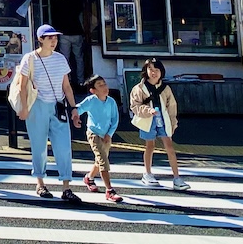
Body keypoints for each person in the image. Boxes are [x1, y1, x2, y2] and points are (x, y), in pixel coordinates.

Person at [15, 24, 82, 203]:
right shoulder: (29, 59)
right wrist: (24, 108)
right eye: (49, 37)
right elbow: (22, 86)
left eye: (55, 37)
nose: (54, 41)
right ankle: (40, 183)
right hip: (37, 105)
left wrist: (74, 108)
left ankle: (66, 187)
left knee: (64, 147)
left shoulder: (60, 59)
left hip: (58, 105)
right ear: (40, 39)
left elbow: (66, 86)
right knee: (39, 146)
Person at [129, 57, 188, 190]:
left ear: (161, 71)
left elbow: (172, 106)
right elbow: (134, 106)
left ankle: (177, 178)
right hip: (147, 120)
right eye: (150, 69)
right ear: (145, 70)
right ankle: (148, 173)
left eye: (156, 69)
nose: (153, 72)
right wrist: (147, 110)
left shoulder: (165, 88)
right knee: (150, 146)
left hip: (164, 120)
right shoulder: (139, 88)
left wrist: (173, 123)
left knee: (169, 146)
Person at [76, 75, 122, 202]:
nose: (104, 87)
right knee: (103, 161)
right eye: (100, 85)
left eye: (104, 84)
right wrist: (75, 116)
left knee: (100, 160)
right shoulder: (91, 100)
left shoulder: (111, 101)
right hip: (94, 133)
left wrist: (110, 133)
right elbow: (78, 109)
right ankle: (109, 191)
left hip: (106, 134)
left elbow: (115, 119)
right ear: (93, 90)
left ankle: (89, 178)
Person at [51, 0, 86, 84]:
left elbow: (55, 18)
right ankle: (81, 81)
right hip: (77, 31)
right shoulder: (76, 2)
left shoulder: (58, 3)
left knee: (64, 58)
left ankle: (67, 81)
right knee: (79, 58)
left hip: (64, 33)